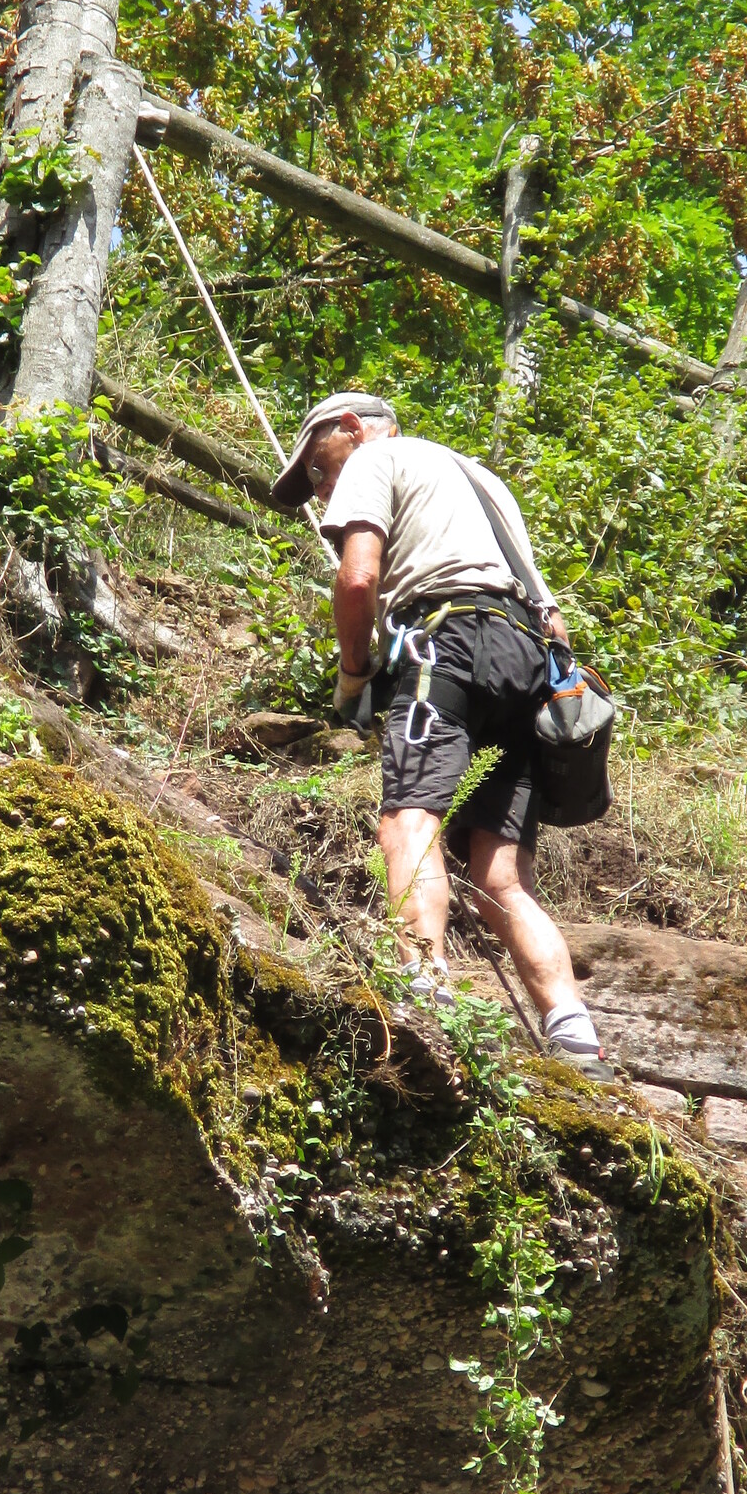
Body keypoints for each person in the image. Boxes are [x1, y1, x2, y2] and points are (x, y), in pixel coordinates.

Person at [272, 392, 612, 1081]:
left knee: (408, 820)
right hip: (527, 663)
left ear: (351, 430)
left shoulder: (378, 458)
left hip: (445, 643)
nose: (322, 487)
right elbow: (554, 621)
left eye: (317, 468)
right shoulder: (484, 485)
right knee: (500, 877)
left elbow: (358, 577)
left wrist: (353, 675)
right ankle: (576, 1036)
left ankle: (423, 991)